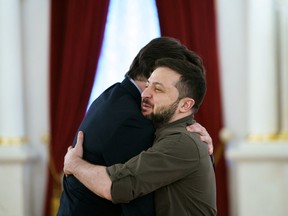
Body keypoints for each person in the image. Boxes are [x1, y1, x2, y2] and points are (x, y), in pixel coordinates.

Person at [57, 37, 214, 216]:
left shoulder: (115, 94)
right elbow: (132, 197)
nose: (148, 93)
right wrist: (73, 164)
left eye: (158, 89)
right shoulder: (131, 119)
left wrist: (199, 143)